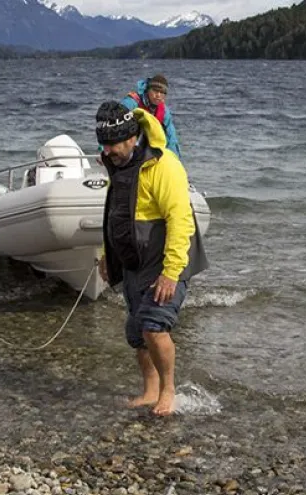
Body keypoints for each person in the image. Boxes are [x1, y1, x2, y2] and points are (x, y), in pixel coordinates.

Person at [95, 101, 208, 416]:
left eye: (113, 143)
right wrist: (107, 255)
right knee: (136, 332)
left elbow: (180, 220)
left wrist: (171, 272)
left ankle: (169, 391)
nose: (108, 150)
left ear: (131, 137)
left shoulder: (163, 163)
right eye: (104, 144)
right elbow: (115, 214)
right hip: (133, 262)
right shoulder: (116, 164)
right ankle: (150, 390)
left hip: (164, 260)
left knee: (154, 326)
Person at [120, 74, 181, 159]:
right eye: (155, 91)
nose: (158, 95)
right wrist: (104, 150)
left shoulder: (164, 111)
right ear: (148, 90)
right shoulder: (131, 102)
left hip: (148, 148)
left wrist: (175, 159)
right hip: (127, 143)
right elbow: (112, 123)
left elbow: (171, 138)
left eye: (162, 93)